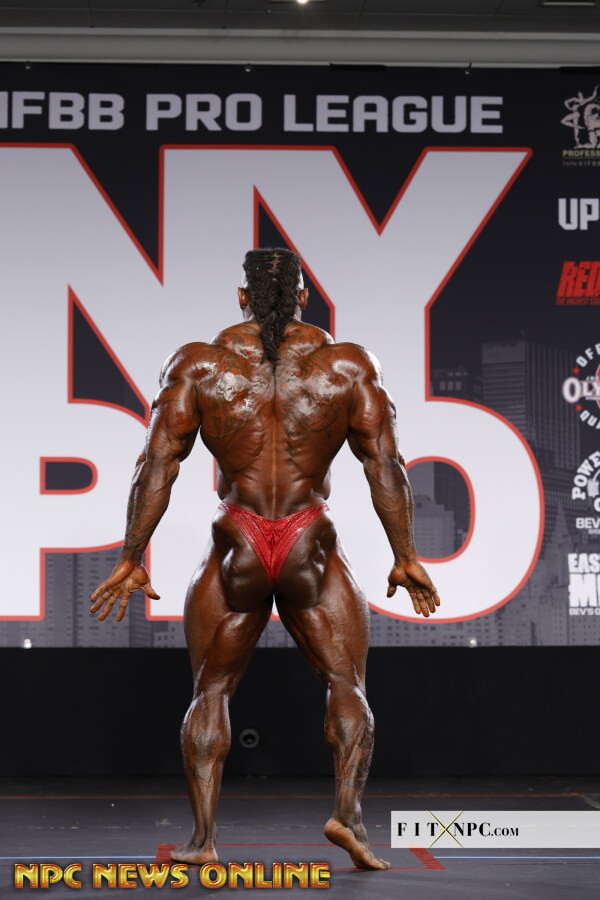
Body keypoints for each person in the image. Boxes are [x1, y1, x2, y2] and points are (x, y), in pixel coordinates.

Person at [89, 247, 440, 870]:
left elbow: (157, 463)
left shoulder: (198, 365)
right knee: (346, 683)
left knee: (211, 689)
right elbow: (385, 464)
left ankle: (201, 841)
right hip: (308, 536)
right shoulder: (349, 366)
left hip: (239, 537)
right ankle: (348, 816)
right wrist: (405, 554)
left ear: (242, 297)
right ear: (304, 297)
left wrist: (132, 554)